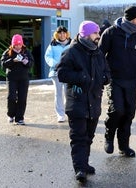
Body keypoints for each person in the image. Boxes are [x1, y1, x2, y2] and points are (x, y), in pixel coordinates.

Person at [57, 21, 110, 183]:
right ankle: (79, 168)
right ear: (86, 34)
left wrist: (104, 78)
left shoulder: (98, 52)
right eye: (95, 33)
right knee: (79, 137)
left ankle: (84, 164)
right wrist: (82, 77)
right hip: (77, 103)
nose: (98, 36)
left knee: (89, 136)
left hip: (94, 102)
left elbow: (107, 72)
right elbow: (62, 74)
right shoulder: (71, 52)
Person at [98, 6, 136, 158]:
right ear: (132, 18)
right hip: (115, 79)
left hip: (131, 80)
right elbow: (100, 55)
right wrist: (103, 75)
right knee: (117, 110)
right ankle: (109, 136)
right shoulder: (111, 32)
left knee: (129, 113)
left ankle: (124, 145)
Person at [1, 34, 34, 125]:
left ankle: (19, 118)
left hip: (24, 78)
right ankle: (11, 115)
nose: (18, 46)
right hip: (12, 78)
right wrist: (13, 60)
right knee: (11, 97)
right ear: (12, 45)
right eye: (16, 45)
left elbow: (31, 63)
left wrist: (26, 62)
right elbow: (3, 64)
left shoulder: (26, 52)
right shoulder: (8, 52)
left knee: (22, 98)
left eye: (19, 44)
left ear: (22, 44)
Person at [45, 26, 71, 123]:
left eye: (64, 32)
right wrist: (55, 64)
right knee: (58, 93)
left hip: (68, 72)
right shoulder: (52, 45)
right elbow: (47, 57)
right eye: (60, 33)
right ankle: (60, 114)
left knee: (68, 93)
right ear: (57, 34)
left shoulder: (71, 44)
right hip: (56, 72)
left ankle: (69, 112)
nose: (62, 35)